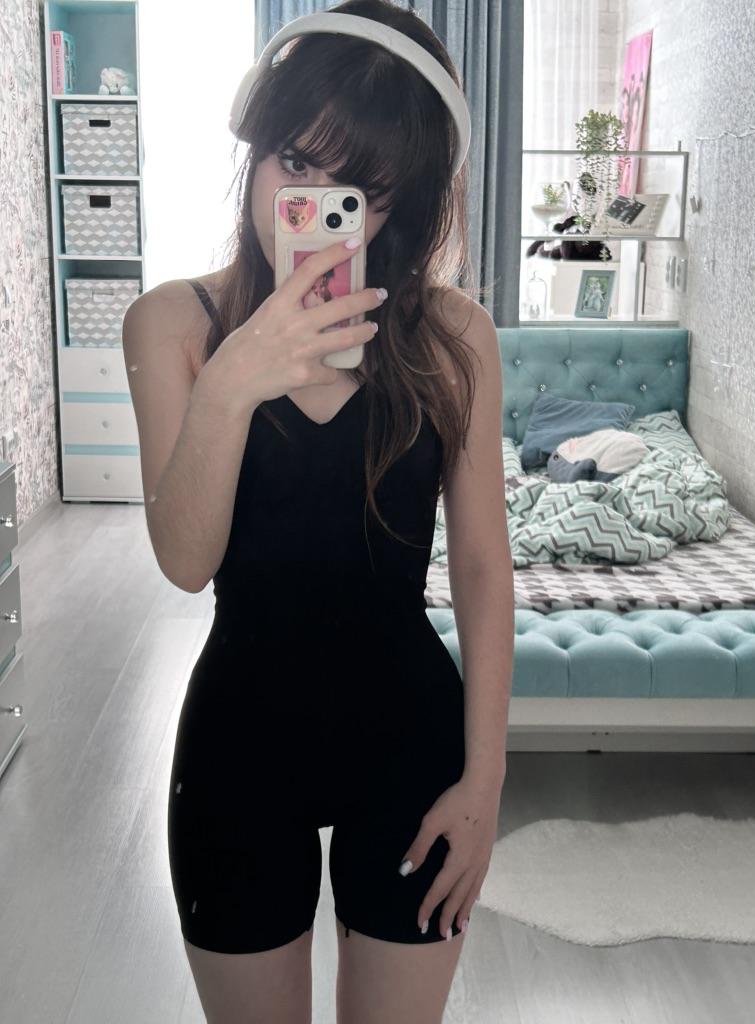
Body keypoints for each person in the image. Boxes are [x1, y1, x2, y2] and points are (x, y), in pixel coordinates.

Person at [122, 1, 513, 1020]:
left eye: (357, 190)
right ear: (254, 151)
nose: (310, 203)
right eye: (294, 162)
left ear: (396, 207)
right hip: (238, 751)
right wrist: (233, 379)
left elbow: (482, 566)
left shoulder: (455, 336)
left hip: (412, 747)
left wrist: (486, 782)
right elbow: (186, 560)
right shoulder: (172, 324)